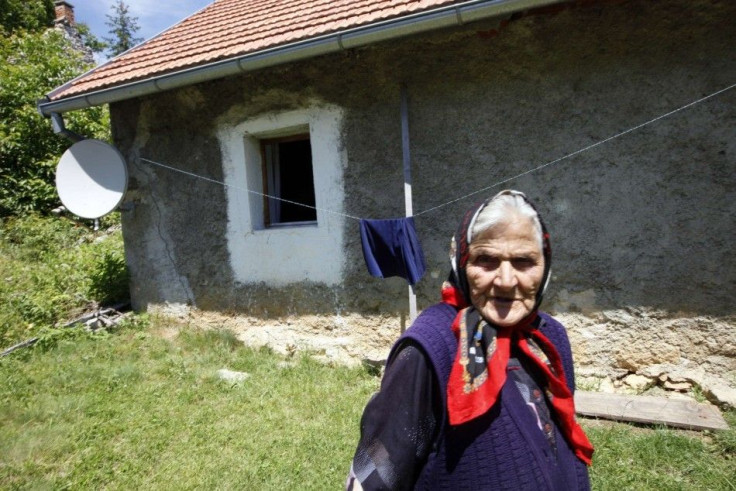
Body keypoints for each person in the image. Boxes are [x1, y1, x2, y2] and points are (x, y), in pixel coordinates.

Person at [346, 190, 594, 490]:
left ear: (546, 266)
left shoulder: (548, 337)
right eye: (486, 260)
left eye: (524, 261)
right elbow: (374, 478)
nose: (505, 280)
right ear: (461, 262)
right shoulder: (429, 350)